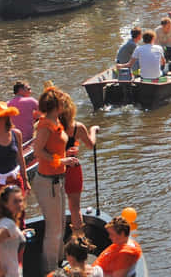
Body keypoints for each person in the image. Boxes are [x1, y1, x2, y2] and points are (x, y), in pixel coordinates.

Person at [34, 87, 78, 273]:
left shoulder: (56, 121)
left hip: (58, 178)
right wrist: (61, 160)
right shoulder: (45, 126)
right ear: (56, 105)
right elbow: (38, 151)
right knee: (53, 230)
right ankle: (50, 270)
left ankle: (59, 262)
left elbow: (54, 147)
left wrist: (65, 154)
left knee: (60, 224)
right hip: (47, 182)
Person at [59, 97, 98, 237]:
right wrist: (93, 130)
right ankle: (79, 238)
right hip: (73, 167)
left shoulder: (50, 127)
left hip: (53, 169)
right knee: (75, 207)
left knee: (57, 208)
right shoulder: (78, 127)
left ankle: (58, 238)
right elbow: (90, 144)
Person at [0, 103, 29, 199]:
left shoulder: (16, 134)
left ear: (5, 118)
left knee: (18, 213)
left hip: (15, 181)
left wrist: (25, 180)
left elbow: (20, 158)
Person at [0, 185, 26, 277]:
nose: (19, 204)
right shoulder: (9, 224)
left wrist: (19, 235)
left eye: (20, 200)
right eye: (15, 201)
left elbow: (5, 240)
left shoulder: (2, 221)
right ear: (5, 204)